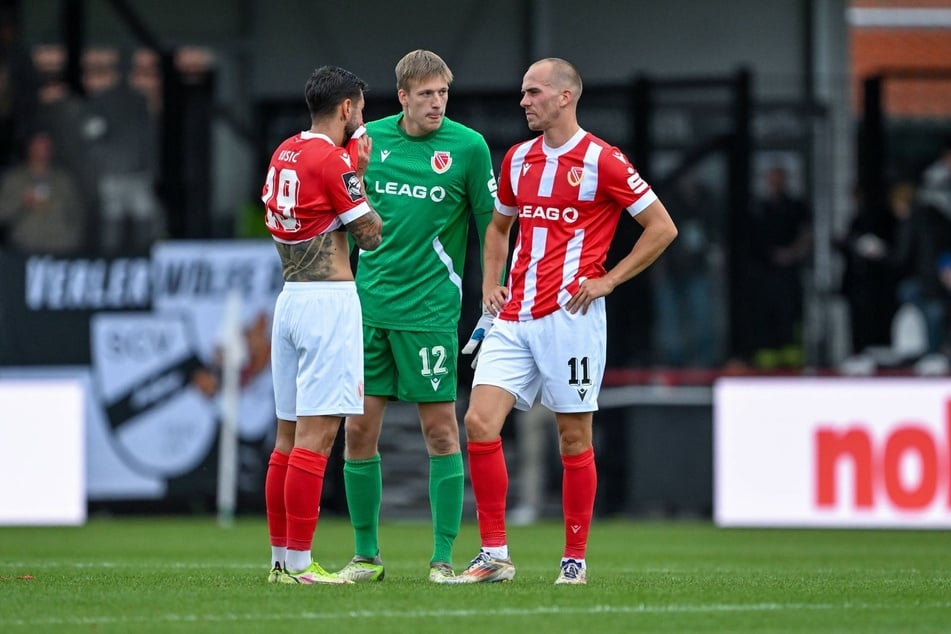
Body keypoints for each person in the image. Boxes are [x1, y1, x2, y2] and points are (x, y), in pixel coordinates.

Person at [451, 58, 677, 585]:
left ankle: (573, 560)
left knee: (573, 437)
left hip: (570, 318)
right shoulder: (518, 158)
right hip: (514, 317)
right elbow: (497, 228)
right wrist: (490, 284)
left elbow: (661, 228)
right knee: (479, 422)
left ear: (565, 96)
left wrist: (609, 280)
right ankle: (494, 555)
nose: (524, 102)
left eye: (533, 93)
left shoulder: (604, 160)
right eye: (524, 93)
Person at [334, 49, 497, 584]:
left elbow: (492, 228)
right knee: (358, 430)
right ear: (401, 95)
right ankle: (365, 556)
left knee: (442, 432)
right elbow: (338, 212)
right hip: (369, 309)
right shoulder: (367, 141)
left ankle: (442, 560)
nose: (436, 103)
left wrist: (490, 292)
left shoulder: (468, 147)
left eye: (443, 93)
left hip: (430, 312)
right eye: (426, 94)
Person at [261, 65, 382, 585]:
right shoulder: (336, 161)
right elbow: (371, 234)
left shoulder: (285, 151)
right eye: (360, 108)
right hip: (328, 303)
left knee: (286, 439)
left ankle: (279, 563)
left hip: (288, 299)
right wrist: (360, 170)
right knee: (317, 439)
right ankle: (302, 564)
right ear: (346, 109)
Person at [746, 164, 812, 368]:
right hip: (764, 275)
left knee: (790, 321)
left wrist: (792, 253)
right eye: (772, 179)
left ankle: (792, 367)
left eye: (779, 179)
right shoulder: (758, 208)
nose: (775, 184)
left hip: (789, 275)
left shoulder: (796, 207)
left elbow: (807, 235)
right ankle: (765, 367)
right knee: (765, 320)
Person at [0, 129, 85, 255]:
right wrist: (21, 203)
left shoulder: (64, 180)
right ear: (29, 148)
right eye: (38, 147)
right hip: (24, 250)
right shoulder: (14, 179)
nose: (42, 151)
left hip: (61, 250)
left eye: (46, 147)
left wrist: (73, 240)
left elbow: (78, 214)